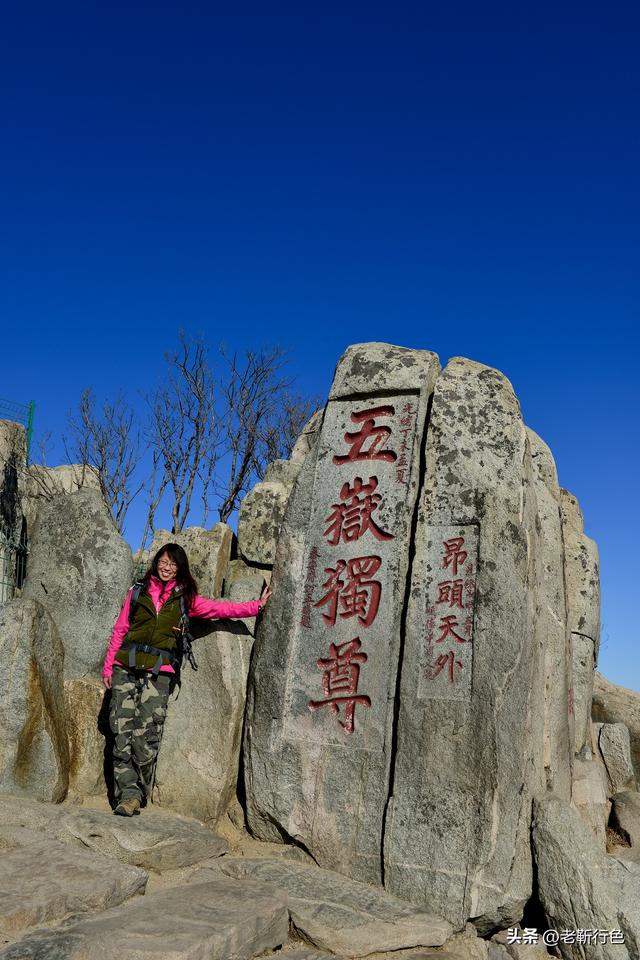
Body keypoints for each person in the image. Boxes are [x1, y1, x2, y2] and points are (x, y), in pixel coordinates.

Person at [102, 542, 271, 816]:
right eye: (163, 561)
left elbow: (220, 610)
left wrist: (255, 607)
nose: (167, 567)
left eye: (173, 564)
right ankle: (127, 795)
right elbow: (120, 629)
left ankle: (138, 791)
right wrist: (108, 668)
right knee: (121, 731)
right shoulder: (137, 592)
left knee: (146, 735)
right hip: (125, 667)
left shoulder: (185, 599)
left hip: (158, 672)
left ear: (180, 569)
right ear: (157, 562)